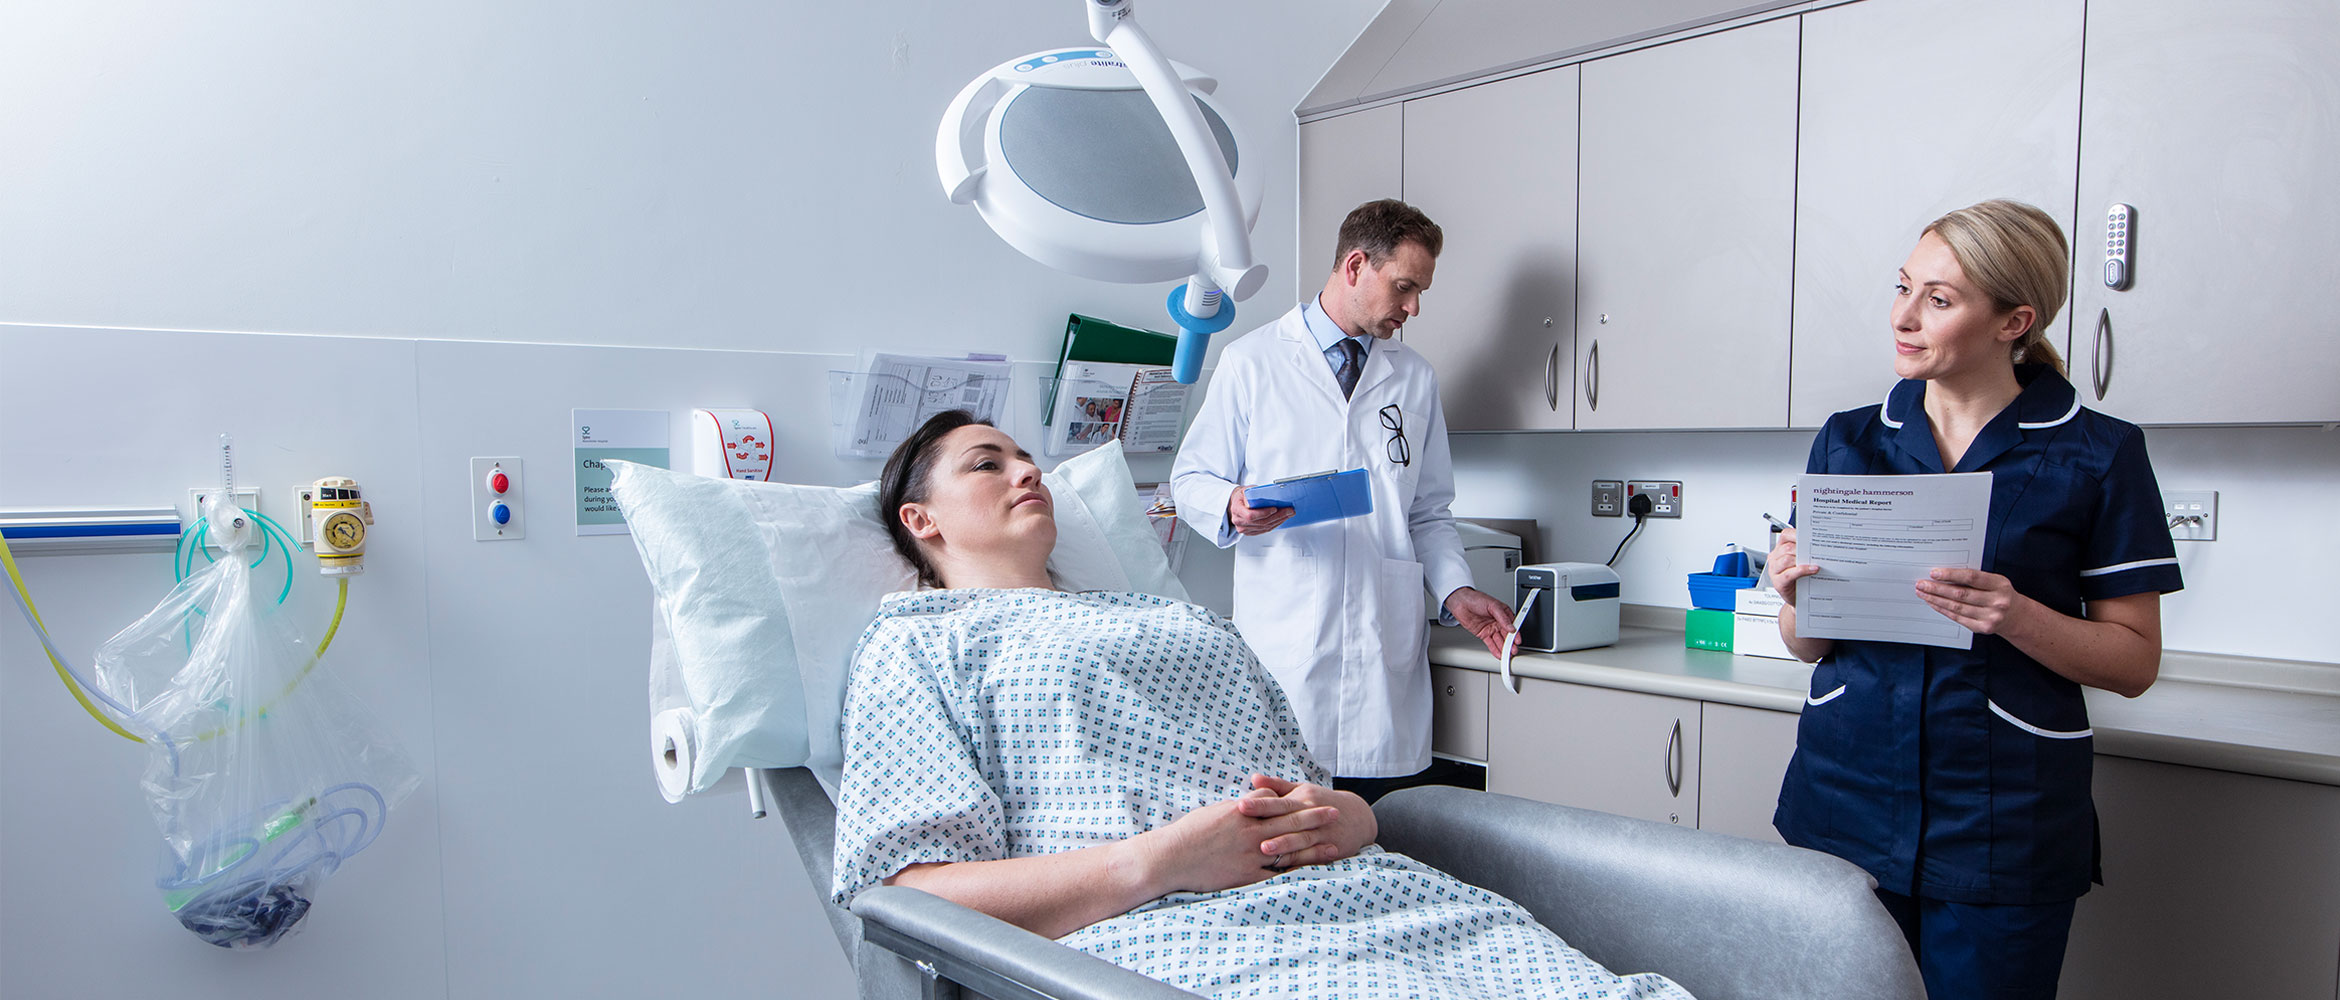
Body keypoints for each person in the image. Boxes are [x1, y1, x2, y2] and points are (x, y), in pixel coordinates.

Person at [830, 409, 1690, 999]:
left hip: (1373, 899)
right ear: (922, 520)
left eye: (1028, 457)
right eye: (988, 464)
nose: (1027, 470)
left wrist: (1351, 816)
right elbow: (911, 893)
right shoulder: (918, 642)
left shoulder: (1170, 615)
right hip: (1173, 936)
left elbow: (1310, 789)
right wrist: (1163, 861)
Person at [1765, 200, 2182, 1000]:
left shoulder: (2099, 453)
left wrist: (2014, 614)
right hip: (1844, 802)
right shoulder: (1848, 439)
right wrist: (1791, 596)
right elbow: (1807, 643)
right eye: (1902, 287)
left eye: (1940, 299)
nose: (1904, 316)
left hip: (2001, 822)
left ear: (2013, 321)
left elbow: (2134, 661)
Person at [1170, 198, 1514, 802]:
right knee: (1287, 844)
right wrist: (1231, 504)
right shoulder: (1252, 362)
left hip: (1383, 659)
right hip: (1287, 651)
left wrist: (1456, 591)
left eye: (1420, 293)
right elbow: (1191, 478)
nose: (1412, 309)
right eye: (1404, 287)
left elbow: (1428, 512)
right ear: (1355, 266)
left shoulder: (1414, 377)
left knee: (1380, 837)